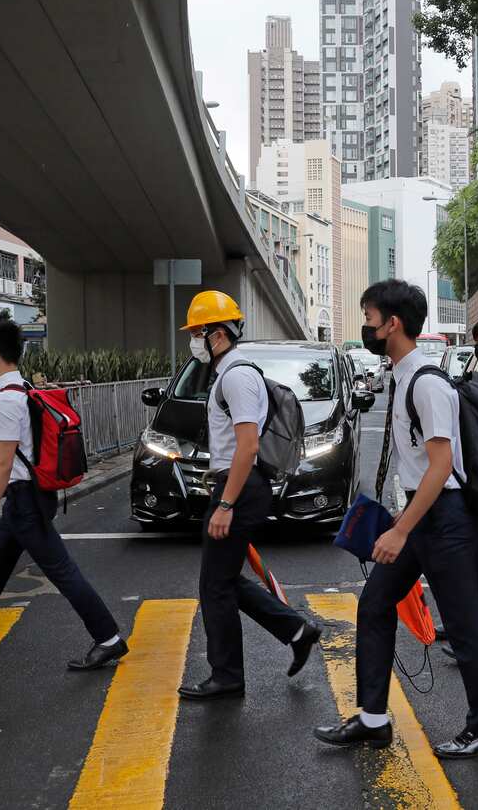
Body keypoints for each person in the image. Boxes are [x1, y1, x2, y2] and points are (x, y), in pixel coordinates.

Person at [315, 280, 478, 758]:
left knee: (464, 626)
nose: (366, 327)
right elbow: (422, 465)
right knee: (375, 604)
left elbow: (442, 467)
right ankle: (374, 719)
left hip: (447, 520)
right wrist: (403, 519)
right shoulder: (402, 376)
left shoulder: (426, 383)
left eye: (369, 318)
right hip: (423, 514)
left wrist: (401, 530)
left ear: (392, 324)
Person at [0, 320, 127, 671]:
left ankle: (108, 639)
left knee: (62, 572)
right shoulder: (24, 389)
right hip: (25, 500)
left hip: (25, 500)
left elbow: (2, 464)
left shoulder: (5, 402)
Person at [177, 291, 322, 700]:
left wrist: (225, 504)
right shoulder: (229, 373)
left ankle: (228, 676)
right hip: (233, 486)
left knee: (214, 585)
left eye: (197, 333)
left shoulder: (237, 376)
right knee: (223, 579)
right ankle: (296, 630)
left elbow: (247, 446)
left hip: (238, 490)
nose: (193, 341)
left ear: (218, 335)